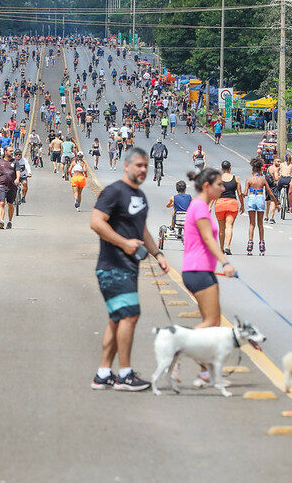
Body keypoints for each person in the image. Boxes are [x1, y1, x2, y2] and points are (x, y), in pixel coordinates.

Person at [90, 147, 169, 392]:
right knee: (129, 316)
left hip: (129, 267)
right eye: (138, 165)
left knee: (117, 319)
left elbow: (141, 230)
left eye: (146, 166)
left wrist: (157, 254)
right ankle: (124, 374)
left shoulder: (140, 196)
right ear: (126, 166)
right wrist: (124, 243)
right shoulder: (113, 191)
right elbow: (96, 222)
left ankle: (103, 374)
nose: (143, 170)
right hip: (112, 266)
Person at [182, 167, 236, 387]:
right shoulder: (200, 208)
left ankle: (206, 373)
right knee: (212, 322)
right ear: (207, 186)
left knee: (211, 326)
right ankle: (176, 351)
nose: (223, 188)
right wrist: (226, 262)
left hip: (201, 270)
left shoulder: (201, 206)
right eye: (219, 185)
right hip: (198, 270)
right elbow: (208, 238)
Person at [244, 157, 279, 255]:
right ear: (260, 170)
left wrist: (242, 194)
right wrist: (276, 204)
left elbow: (245, 193)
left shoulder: (249, 180)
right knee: (260, 224)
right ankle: (262, 244)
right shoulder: (263, 180)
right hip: (260, 199)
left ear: (252, 171)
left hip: (251, 198)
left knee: (252, 224)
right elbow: (271, 193)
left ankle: (250, 243)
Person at [214, 160, 244, 254]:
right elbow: (239, 193)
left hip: (220, 204)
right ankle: (227, 247)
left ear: (222, 168)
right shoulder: (236, 178)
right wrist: (242, 204)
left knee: (221, 228)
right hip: (232, 204)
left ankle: (221, 248)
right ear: (230, 168)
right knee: (229, 226)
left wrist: (209, 205)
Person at [0, 145, 20, 229]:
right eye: (10, 151)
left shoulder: (15, 162)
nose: (12, 152)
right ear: (5, 152)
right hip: (2, 185)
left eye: (12, 151)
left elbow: (17, 171)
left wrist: (17, 179)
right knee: (1, 203)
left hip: (12, 186)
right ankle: (1, 221)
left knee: (10, 204)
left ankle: (10, 221)